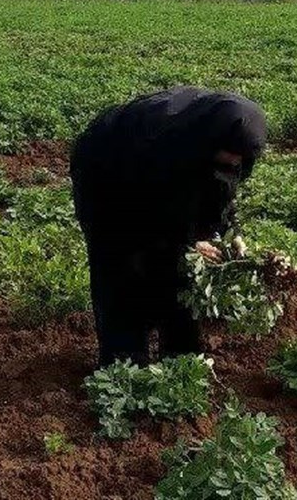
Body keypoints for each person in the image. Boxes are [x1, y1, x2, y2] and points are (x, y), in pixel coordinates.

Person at [70, 86, 267, 367]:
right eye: (231, 153)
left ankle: (180, 353)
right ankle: (124, 360)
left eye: (241, 157)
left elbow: (219, 194)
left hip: (156, 181)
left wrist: (229, 234)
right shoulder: (164, 139)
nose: (235, 161)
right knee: (122, 261)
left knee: (178, 266)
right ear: (214, 139)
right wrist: (184, 241)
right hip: (108, 174)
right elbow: (141, 207)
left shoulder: (230, 144)